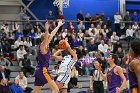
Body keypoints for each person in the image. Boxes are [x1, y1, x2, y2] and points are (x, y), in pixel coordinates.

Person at [32, 20, 64, 93]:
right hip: (42, 71)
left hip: (39, 70)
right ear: (44, 40)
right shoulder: (42, 47)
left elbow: (52, 34)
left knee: (36, 91)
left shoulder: (46, 44)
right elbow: (47, 38)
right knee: (55, 89)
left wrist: (58, 25)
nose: (50, 39)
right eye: (48, 38)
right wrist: (46, 29)